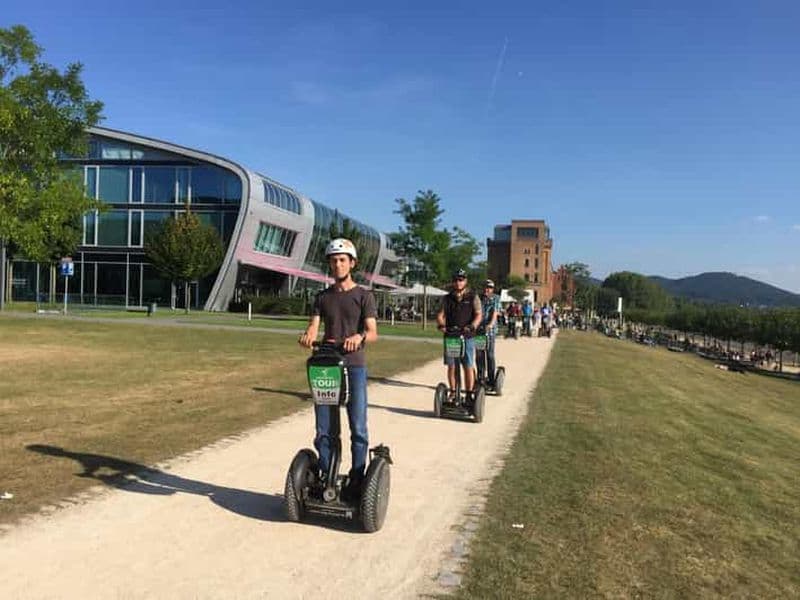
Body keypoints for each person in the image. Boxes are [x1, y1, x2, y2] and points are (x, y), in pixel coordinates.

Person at [299, 238, 378, 495]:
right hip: (327, 365)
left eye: (342, 260)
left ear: (352, 263)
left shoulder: (364, 296)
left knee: (358, 424)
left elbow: (372, 332)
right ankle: (325, 475)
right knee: (324, 427)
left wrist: (360, 337)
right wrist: (308, 336)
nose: (337, 264)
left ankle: (357, 477)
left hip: (354, 365)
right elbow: (314, 326)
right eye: (333, 260)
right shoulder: (322, 297)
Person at [436, 268, 482, 400]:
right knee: (451, 366)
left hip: (467, 335)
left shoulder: (473, 296)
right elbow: (440, 315)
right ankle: (453, 392)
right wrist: (441, 325)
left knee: (467, 365)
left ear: (465, 281)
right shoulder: (447, 298)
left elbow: (479, 315)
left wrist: (473, 325)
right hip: (451, 335)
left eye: (461, 280)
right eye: (456, 280)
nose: (458, 282)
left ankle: (468, 394)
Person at [477, 279, 501, 386]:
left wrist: (490, 324)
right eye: (486, 287)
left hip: (490, 331)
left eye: (489, 287)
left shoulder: (496, 298)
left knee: (490, 355)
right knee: (479, 354)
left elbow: (495, 312)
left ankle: (491, 379)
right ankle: (481, 377)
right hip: (479, 330)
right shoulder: (479, 298)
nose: (487, 289)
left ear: (492, 289)